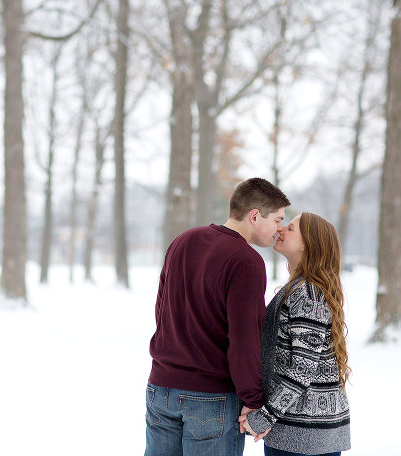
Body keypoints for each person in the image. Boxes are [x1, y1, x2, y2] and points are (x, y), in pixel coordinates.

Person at [144, 177, 290, 456]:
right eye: (278, 219)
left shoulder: (184, 240)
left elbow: (162, 311)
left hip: (160, 390)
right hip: (210, 398)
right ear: (255, 216)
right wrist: (253, 399)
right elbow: (244, 339)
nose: (280, 228)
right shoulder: (246, 261)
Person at [239, 212, 352, 456]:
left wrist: (265, 417)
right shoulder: (303, 288)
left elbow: (302, 369)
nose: (281, 229)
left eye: (290, 228)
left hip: (302, 436)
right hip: (304, 433)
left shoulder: (308, 294)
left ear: (307, 244)